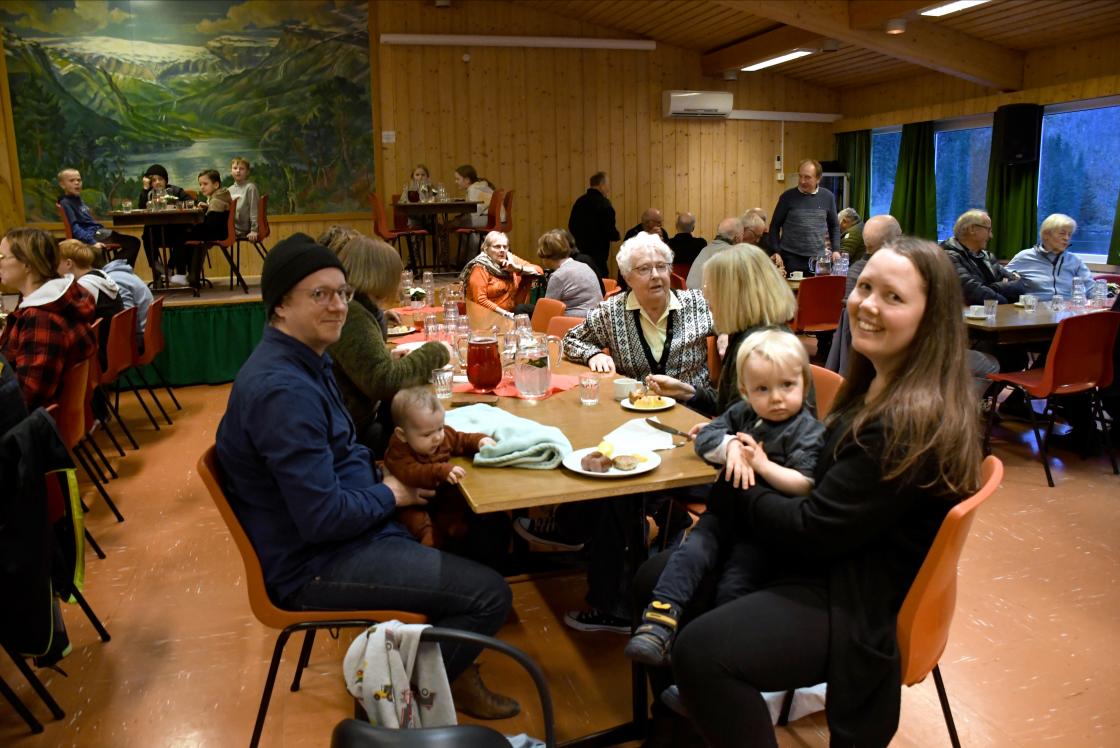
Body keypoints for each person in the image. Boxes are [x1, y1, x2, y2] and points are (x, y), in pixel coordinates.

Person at [660, 237, 982, 747]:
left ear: (931, 316)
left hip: (854, 594)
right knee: (655, 580)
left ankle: (703, 703)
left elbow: (812, 530)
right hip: (839, 560)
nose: (867, 304)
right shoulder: (879, 384)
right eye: (865, 287)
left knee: (701, 650)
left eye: (893, 297)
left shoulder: (905, 422)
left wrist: (738, 485)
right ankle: (691, 725)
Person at [214, 233, 518, 719]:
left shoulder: (306, 362)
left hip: (344, 534)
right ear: (279, 307)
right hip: (314, 564)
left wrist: (390, 478)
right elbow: (321, 519)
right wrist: (390, 493)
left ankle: (452, 673)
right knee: (489, 595)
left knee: (475, 525)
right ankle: (386, 714)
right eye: (319, 294)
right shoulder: (282, 391)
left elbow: (345, 457)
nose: (337, 306)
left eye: (343, 293)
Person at [626, 329, 826, 668]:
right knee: (689, 555)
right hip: (721, 515)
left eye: (787, 386)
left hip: (761, 532)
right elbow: (706, 439)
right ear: (747, 391)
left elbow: (804, 483)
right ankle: (658, 624)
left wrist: (762, 464)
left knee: (736, 583)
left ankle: (714, 659)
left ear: (804, 385)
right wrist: (731, 443)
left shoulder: (807, 430)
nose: (777, 398)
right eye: (763, 389)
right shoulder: (742, 413)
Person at [328, 234, 450, 456]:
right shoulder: (352, 314)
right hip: (356, 437)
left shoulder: (353, 307)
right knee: (439, 436)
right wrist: (439, 350)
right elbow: (385, 381)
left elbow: (368, 370)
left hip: (350, 426)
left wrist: (387, 359)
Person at [653, 245, 797, 418]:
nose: (706, 297)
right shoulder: (746, 334)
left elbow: (752, 431)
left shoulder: (764, 350)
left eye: (711, 287)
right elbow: (731, 404)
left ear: (735, 295)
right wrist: (686, 391)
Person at [562, 231, 713, 388]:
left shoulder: (697, 304)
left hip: (692, 406)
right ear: (628, 277)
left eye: (661, 266)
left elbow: (735, 321)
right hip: (635, 405)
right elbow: (571, 339)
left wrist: (724, 332)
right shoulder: (612, 312)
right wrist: (593, 354)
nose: (655, 275)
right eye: (644, 269)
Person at [383, 387, 496, 548]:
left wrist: (479, 441)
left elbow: (460, 439)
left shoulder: (441, 436)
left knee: (455, 502)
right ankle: (429, 541)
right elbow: (411, 472)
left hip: (438, 495)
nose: (437, 437)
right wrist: (441, 470)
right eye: (427, 435)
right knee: (415, 521)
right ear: (402, 435)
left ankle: (452, 527)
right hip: (411, 501)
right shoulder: (398, 451)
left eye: (440, 428)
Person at [0, 227, 96, 410]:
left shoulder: (41, 319)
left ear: (28, 264)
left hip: (29, 428)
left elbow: (28, 396)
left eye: (2, 257)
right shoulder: (59, 302)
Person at [56, 168, 142, 268]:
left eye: (79, 180)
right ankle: (110, 271)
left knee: (132, 241)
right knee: (133, 243)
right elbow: (75, 228)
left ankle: (111, 270)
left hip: (98, 232)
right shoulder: (66, 203)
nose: (77, 183)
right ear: (62, 185)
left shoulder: (77, 199)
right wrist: (93, 242)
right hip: (92, 236)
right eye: (72, 180)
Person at [56, 239, 124, 367]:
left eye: (56, 262)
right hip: (115, 350)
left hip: (99, 356)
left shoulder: (85, 286)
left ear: (68, 263)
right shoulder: (101, 275)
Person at [769, 158, 840, 276]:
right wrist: (776, 251)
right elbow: (774, 226)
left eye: (807, 177)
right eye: (800, 176)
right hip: (791, 258)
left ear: (818, 178)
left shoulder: (828, 197)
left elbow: (834, 226)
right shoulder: (787, 197)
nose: (802, 181)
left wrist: (836, 250)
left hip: (818, 259)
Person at [941, 208, 1025, 304]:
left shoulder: (988, 257)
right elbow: (972, 292)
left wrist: (994, 287)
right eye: (988, 230)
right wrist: (1004, 300)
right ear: (972, 229)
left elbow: (1019, 286)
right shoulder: (947, 256)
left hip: (991, 314)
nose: (991, 236)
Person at [1006, 213, 1093, 301]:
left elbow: (1091, 289)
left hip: (1066, 310)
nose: (1066, 238)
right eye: (1062, 233)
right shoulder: (1025, 256)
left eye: (1069, 234)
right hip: (1034, 310)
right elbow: (1001, 278)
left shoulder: (1074, 261)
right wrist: (1013, 278)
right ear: (1046, 234)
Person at [170, 169, 232, 288]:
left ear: (216, 184)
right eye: (200, 184)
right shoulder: (220, 196)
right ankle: (189, 275)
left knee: (181, 236)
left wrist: (201, 218)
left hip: (216, 233)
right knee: (186, 235)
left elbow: (211, 224)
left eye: (205, 184)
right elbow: (215, 216)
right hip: (219, 231)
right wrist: (207, 207)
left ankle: (178, 271)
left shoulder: (217, 200)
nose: (202, 187)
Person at [461, 231, 543, 318]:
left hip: (511, 314)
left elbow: (539, 271)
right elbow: (480, 300)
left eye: (505, 247)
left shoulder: (510, 259)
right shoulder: (479, 267)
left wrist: (518, 269)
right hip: (486, 316)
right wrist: (505, 314)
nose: (502, 250)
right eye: (497, 246)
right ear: (486, 249)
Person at [136, 164, 191, 282]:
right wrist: (145, 189)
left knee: (183, 233)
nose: (157, 182)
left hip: (175, 233)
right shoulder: (149, 193)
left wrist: (175, 204)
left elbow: (190, 201)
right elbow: (141, 208)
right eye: (153, 180)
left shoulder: (175, 191)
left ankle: (169, 269)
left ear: (166, 180)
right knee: (146, 235)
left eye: (160, 179)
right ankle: (157, 269)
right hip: (155, 234)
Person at [535, 229, 602, 317]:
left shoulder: (558, 276)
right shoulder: (584, 266)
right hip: (596, 318)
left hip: (574, 323)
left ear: (545, 255)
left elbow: (547, 310)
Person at [567, 171, 619, 277]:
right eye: (607, 185)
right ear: (602, 185)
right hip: (598, 258)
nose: (608, 189)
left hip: (579, 255)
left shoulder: (579, 202)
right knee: (600, 284)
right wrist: (616, 235)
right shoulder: (604, 204)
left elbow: (571, 226)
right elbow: (610, 231)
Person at [101, 254, 154, 350]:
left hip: (138, 339)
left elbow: (128, 317)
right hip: (145, 333)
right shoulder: (121, 273)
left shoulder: (114, 279)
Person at [685, 216, 742, 290]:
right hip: (706, 299)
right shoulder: (733, 254)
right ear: (737, 238)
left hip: (690, 296)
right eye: (742, 234)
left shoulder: (705, 250)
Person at [228, 157, 261, 244]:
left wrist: (254, 230)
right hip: (232, 228)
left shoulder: (250, 188)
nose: (238, 171)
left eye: (241, 168)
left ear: (247, 172)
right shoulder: (229, 190)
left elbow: (254, 209)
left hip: (244, 229)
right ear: (231, 171)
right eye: (235, 168)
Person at [451, 164, 495, 229]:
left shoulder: (473, 189)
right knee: (456, 221)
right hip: (494, 217)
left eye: (458, 179)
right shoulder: (476, 186)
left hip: (492, 219)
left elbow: (474, 214)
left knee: (455, 223)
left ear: (467, 180)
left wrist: (457, 221)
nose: (456, 182)